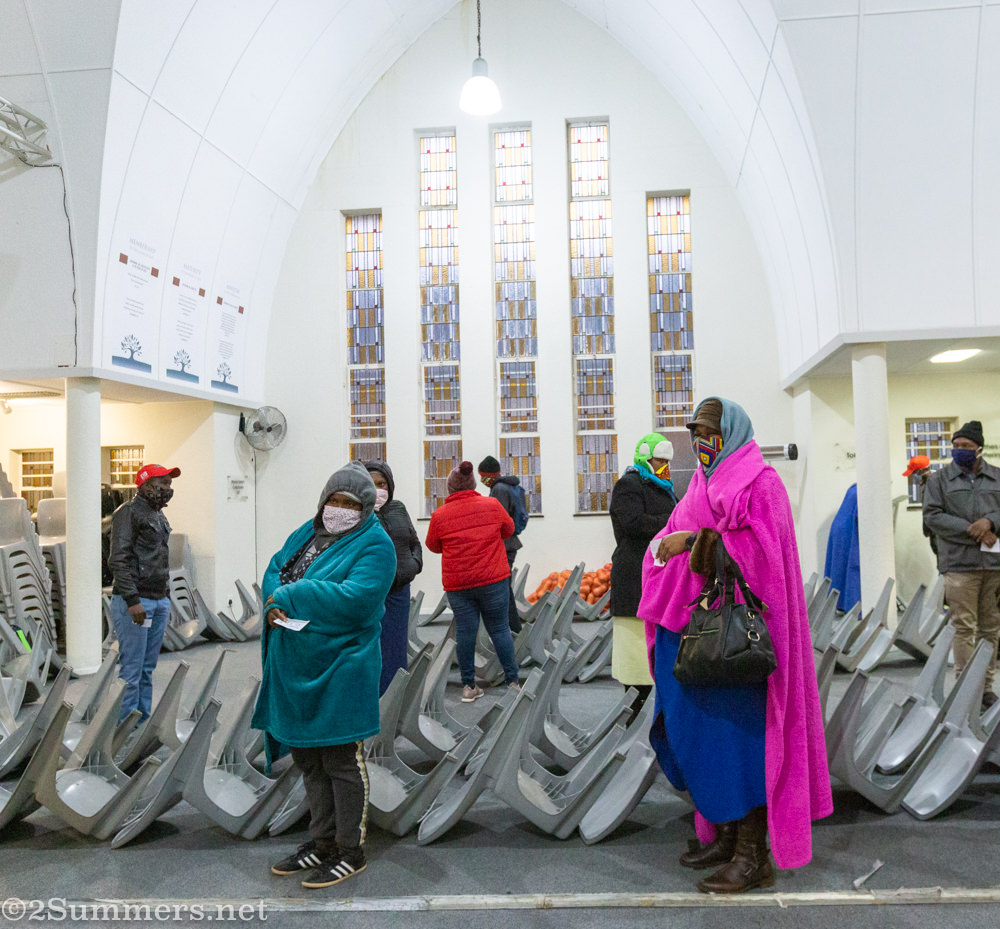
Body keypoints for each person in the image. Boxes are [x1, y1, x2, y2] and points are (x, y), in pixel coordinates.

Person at [638, 397, 832, 894]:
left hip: (737, 642)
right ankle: (723, 833)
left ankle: (753, 854)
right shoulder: (702, 482)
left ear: (732, 431)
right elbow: (669, 531)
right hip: (694, 631)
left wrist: (692, 543)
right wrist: (666, 546)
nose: (702, 441)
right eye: (695, 432)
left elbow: (763, 553)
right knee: (698, 738)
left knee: (741, 745)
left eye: (710, 431)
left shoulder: (761, 484)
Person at [253, 462, 395, 889]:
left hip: (341, 666)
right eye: (334, 500)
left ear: (366, 507)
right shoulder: (306, 533)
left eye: (350, 503)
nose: (339, 509)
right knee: (308, 759)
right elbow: (274, 570)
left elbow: (357, 599)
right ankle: (321, 841)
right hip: (296, 666)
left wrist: (291, 595)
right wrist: (272, 602)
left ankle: (350, 850)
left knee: (341, 760)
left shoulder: (376, 545)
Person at [922, 420, 1000, 710]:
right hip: (958, 565)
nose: (960, 451)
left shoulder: (997, 477)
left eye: (966, 447)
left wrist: (991, 522)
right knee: (964, 627)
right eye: (956, 446)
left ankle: (987, 688)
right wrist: (974, 529)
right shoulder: (940, 480)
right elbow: (932, 516)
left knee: (990, 628)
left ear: (979, 448)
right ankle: (966, 688)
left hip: (993, 565)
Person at [426, 461, 519, 701]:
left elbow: (433, 546)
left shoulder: (439, 515)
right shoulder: (492, 505)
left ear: (450, 487)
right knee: (499, 629)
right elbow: (509, 529)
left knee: (466, 633)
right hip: (493, 579)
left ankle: (468, 686)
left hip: (459, 585)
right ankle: (513, 682)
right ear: (473, 483)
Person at [609, 433, 677, 718]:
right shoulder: (629, 484)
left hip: (655, 577)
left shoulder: (664, 486)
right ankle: (632, 717)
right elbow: (633, 522)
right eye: (659, 460)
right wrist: (674, 523)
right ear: (645, 458)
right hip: (633, 578)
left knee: (651, 654)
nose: (664, 466)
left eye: (666, 461)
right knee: (635, 660)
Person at [107, 463, 181, 723]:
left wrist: (166, 597)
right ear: (146, 485)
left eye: (170, 484)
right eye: (163, 484)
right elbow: (119, 559)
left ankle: (141, 724)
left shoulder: (159, 515)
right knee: (132, 670)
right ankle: (122, 732)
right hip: (136, 602)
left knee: (147, 669)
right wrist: (132, 600)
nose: (168, 489)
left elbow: (160, 558)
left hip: (158, 601)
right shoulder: (128, 513)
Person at [365, 459, 423, 695]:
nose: (378, 489)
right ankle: (376, 703)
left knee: (396, 647)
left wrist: (414, 565)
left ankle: (395, 700)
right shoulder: (359, 514)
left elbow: (414, 542)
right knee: (374, 649)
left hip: (399, 593)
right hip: (373, 594)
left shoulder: (398, 508)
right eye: (371, 484)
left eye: (382, 484)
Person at [477, 455, 526, 633]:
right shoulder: (508, 486)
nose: (481, 480)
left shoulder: (499, 489)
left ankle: (513, 629)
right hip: (510, 544)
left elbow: (499, 519)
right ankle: (512, 628)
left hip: (504, 546)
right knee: (505, 587)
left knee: (504, 589)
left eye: (482, 476)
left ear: (489, 475)